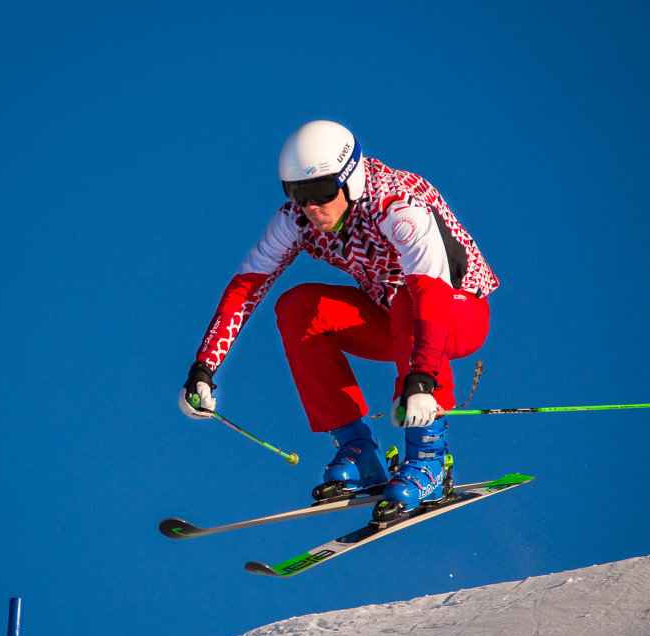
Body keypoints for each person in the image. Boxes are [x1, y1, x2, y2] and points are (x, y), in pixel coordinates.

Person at [179, 120, 498, 518]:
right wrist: (204, 366)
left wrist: (421, 380)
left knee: (405, 300)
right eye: (298, 194)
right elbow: (248, 284)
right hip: (392, 320)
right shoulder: (298, 220)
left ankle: (430, 455)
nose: (311, 206)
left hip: (455, 313)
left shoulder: (397, 204)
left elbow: (430, 291)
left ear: (350, 181)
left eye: (322, 193)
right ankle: (358, 449)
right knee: (297, 308)